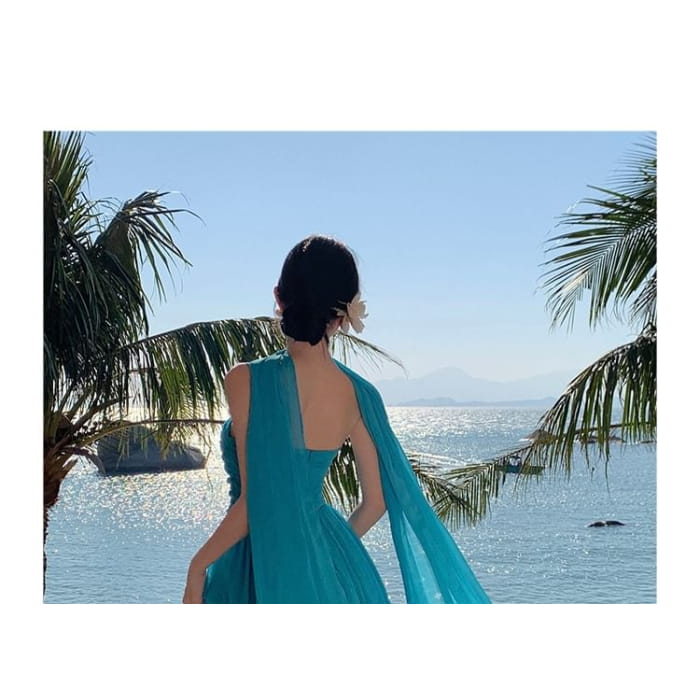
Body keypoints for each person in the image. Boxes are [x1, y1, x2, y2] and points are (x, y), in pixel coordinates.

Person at [183, 235, 491, 604]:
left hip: (250, 563)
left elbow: (254, 504)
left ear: (279, 297)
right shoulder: (360, 394)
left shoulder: (245, 380)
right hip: (331, 565)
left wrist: (197, 568)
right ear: (343, 315)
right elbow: (375, 502)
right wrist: (324, 552)